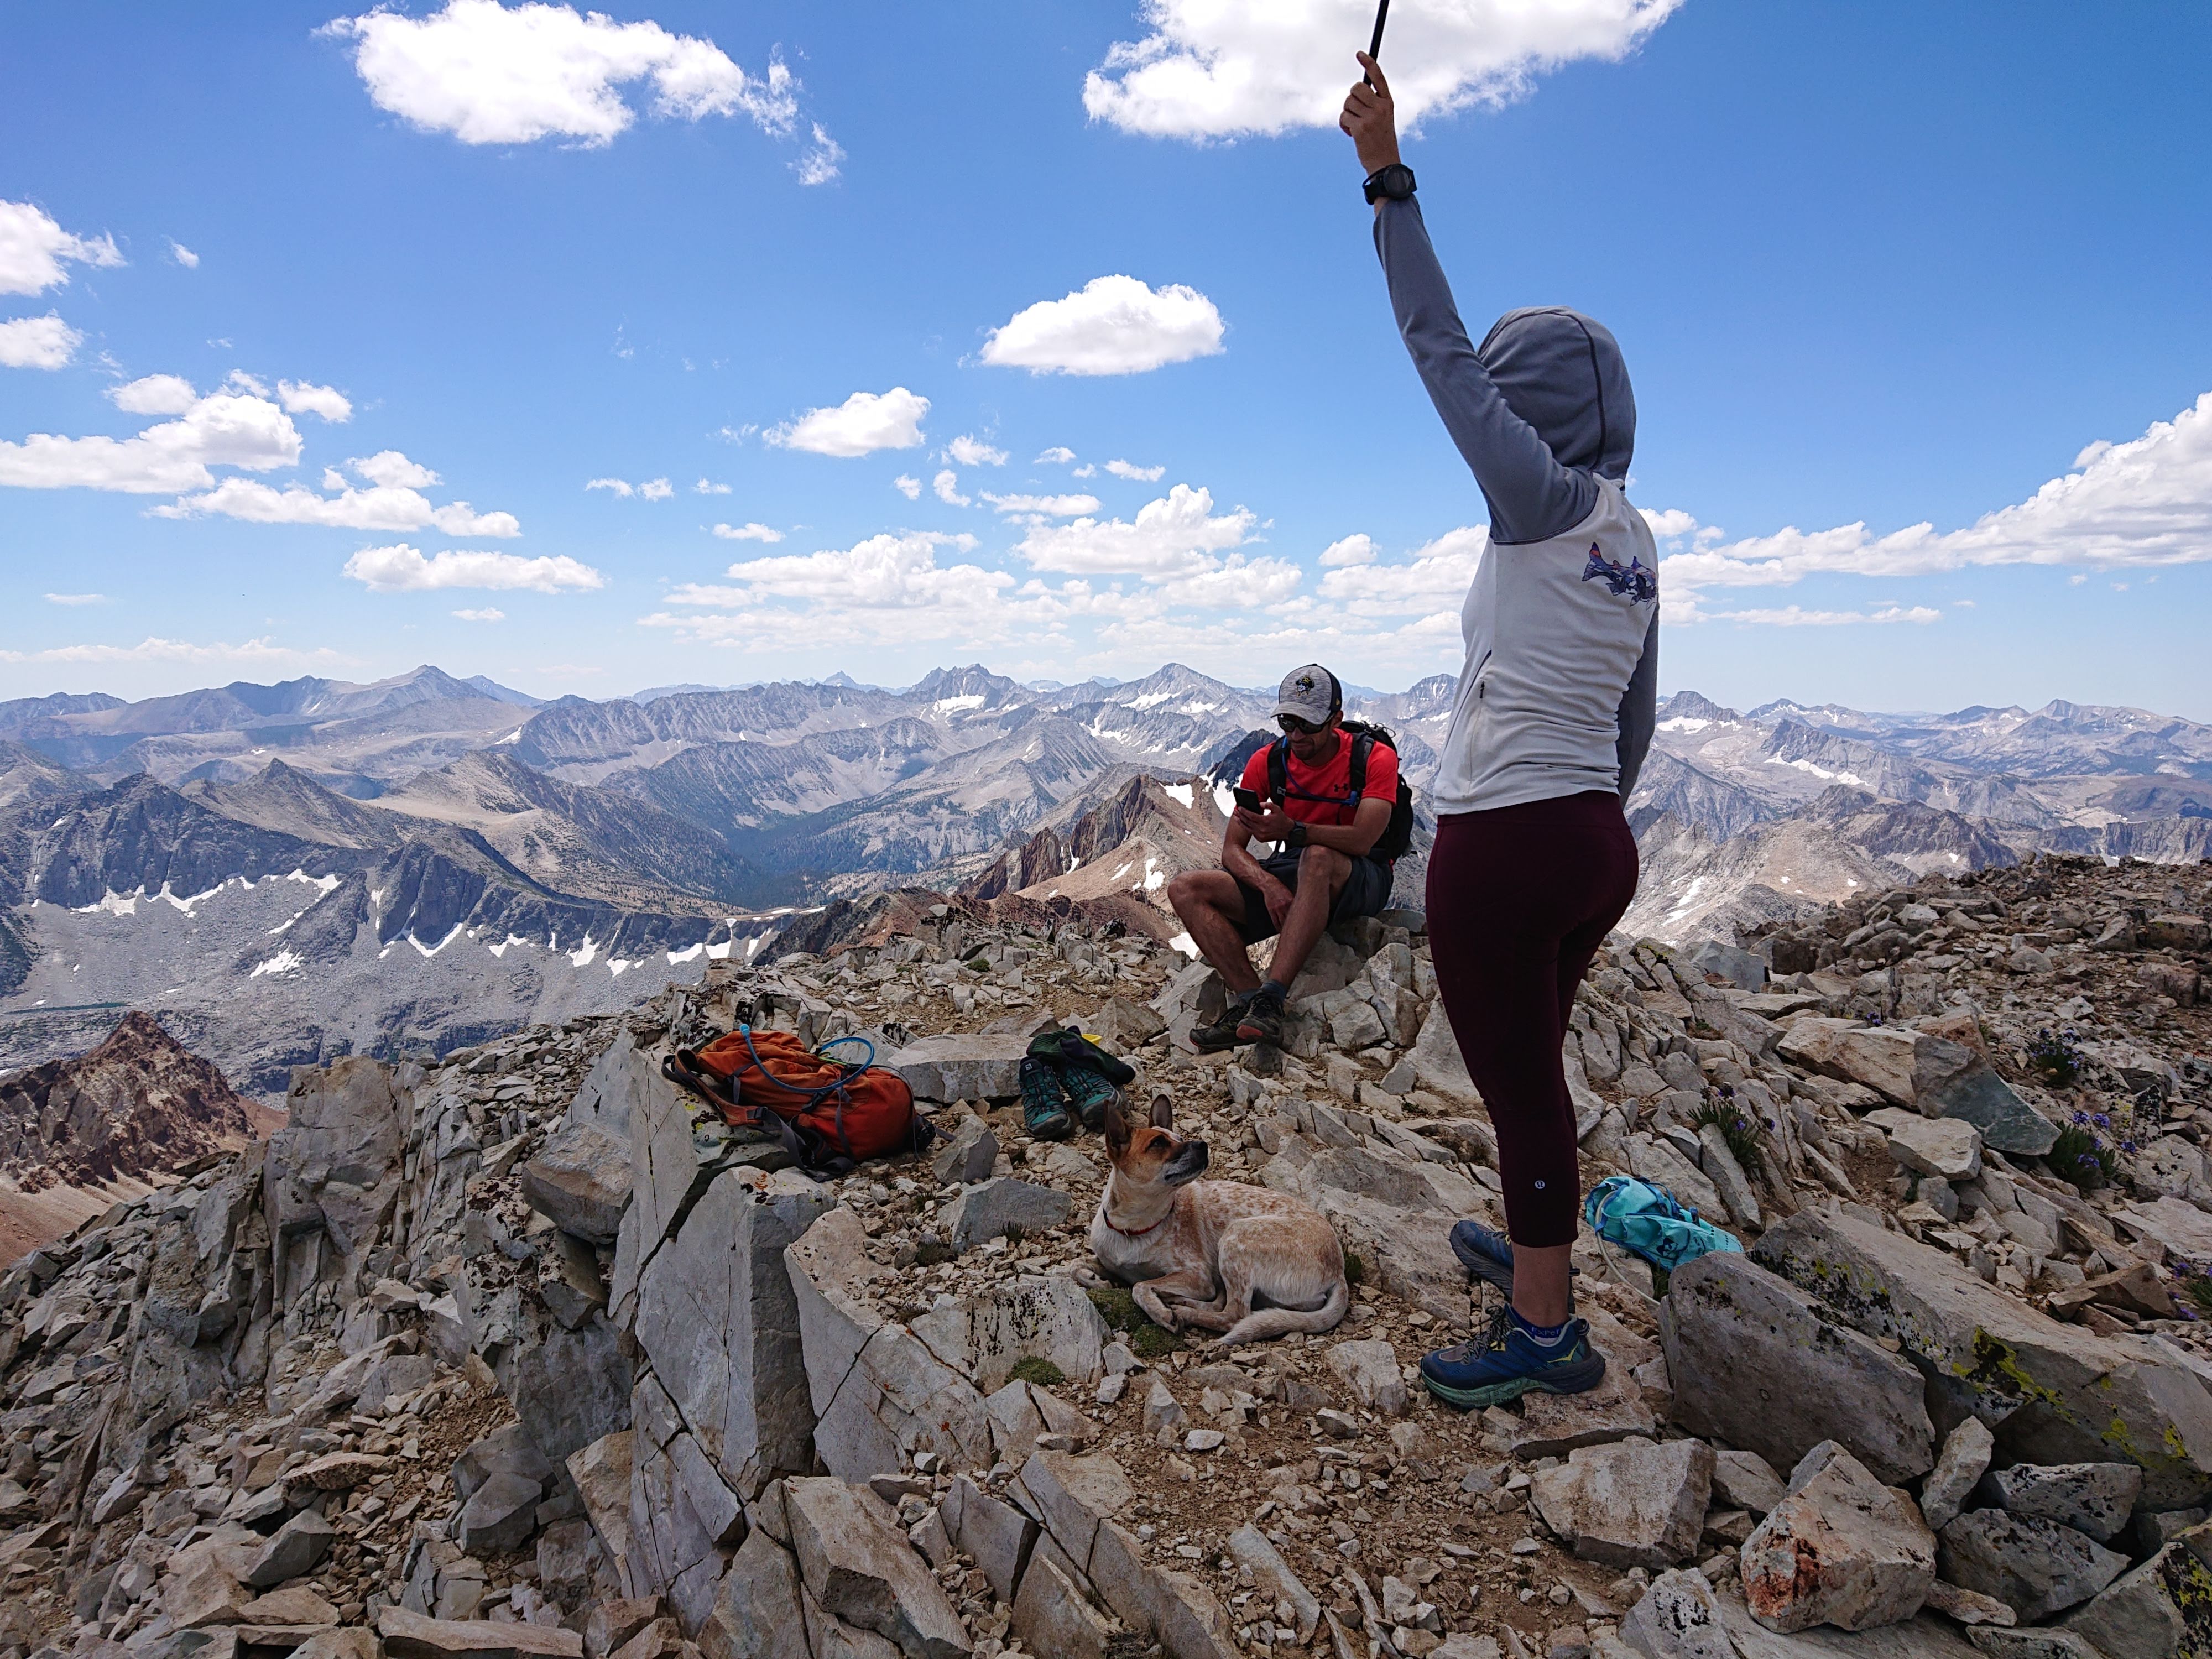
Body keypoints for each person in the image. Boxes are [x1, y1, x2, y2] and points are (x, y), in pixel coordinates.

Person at [1340, 54, 1660, 1411]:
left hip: (1513, 840)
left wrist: (1383, 172)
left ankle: (1542, 1331)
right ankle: (1529, 1244)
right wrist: (1587, 822)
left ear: (1528, 407)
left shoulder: (1535, 498)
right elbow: (1635, 713)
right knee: (1526, 1069)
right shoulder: (1634, 538)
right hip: (1594, 838)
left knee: (1524, 1091)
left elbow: (1435, 350)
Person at [1165, 664, 1399, 1052]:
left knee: (1319, 858)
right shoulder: (1268, 762)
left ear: (1335, 719)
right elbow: (1232, 851)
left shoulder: (1374, 758)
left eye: (1307, 725)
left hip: (1363, 874)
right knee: (1185, 889)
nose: (1296, 735)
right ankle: (1251, 1003)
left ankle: (1272, 998)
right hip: (1299, 871)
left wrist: (1293, 831)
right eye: (1287, 722)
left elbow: (1363, 839)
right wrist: (1268, 885)